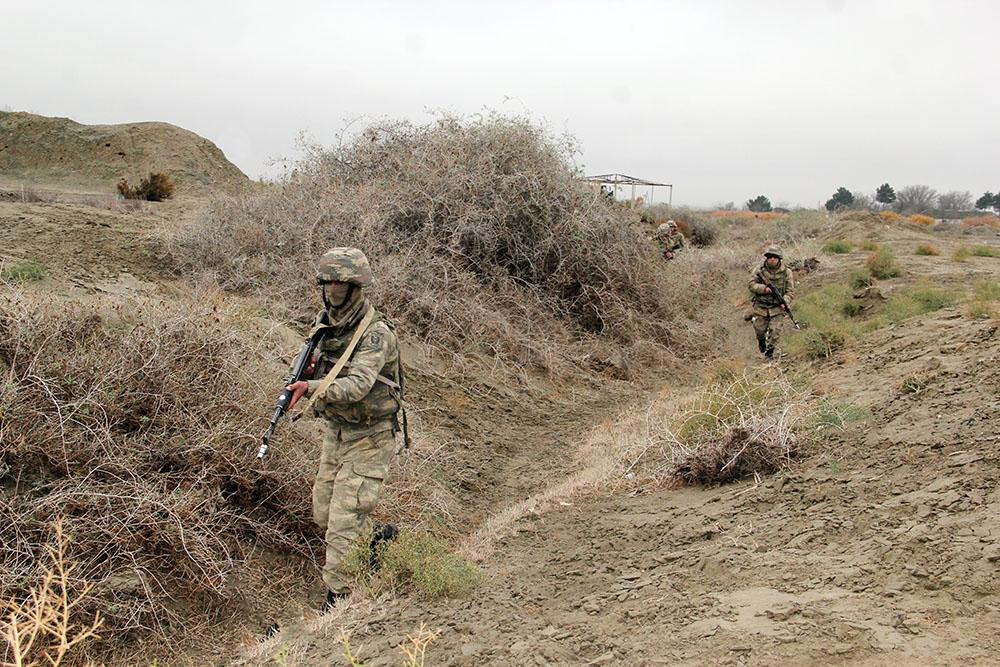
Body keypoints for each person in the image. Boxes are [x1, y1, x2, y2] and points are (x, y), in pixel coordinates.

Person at [285, 247, 404, 611]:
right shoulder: (327, 322)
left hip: (370, 435)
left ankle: (340, 601)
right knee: (323, 512)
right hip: (336, 432)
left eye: (341, 282)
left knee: (342, 521)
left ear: (357, 286)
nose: (334, 288)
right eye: (329, 281)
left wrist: (313, 390)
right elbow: (308, 360)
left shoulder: (375, 334)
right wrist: (300, 376)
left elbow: (358, 385)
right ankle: (375, 542)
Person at [747, 245, 795, 359]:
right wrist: (764, 289)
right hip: (761, 305)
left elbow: (790, 291)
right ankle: (762, 343)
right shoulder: (759, 270)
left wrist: (785, 301)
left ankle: (769, 354)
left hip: (777, 307)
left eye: (774, 257)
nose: (772, 259)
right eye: (769, 257)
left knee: (775, 332)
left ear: (779, 258)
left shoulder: (786, 272)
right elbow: (751, 284)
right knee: (759, 330)